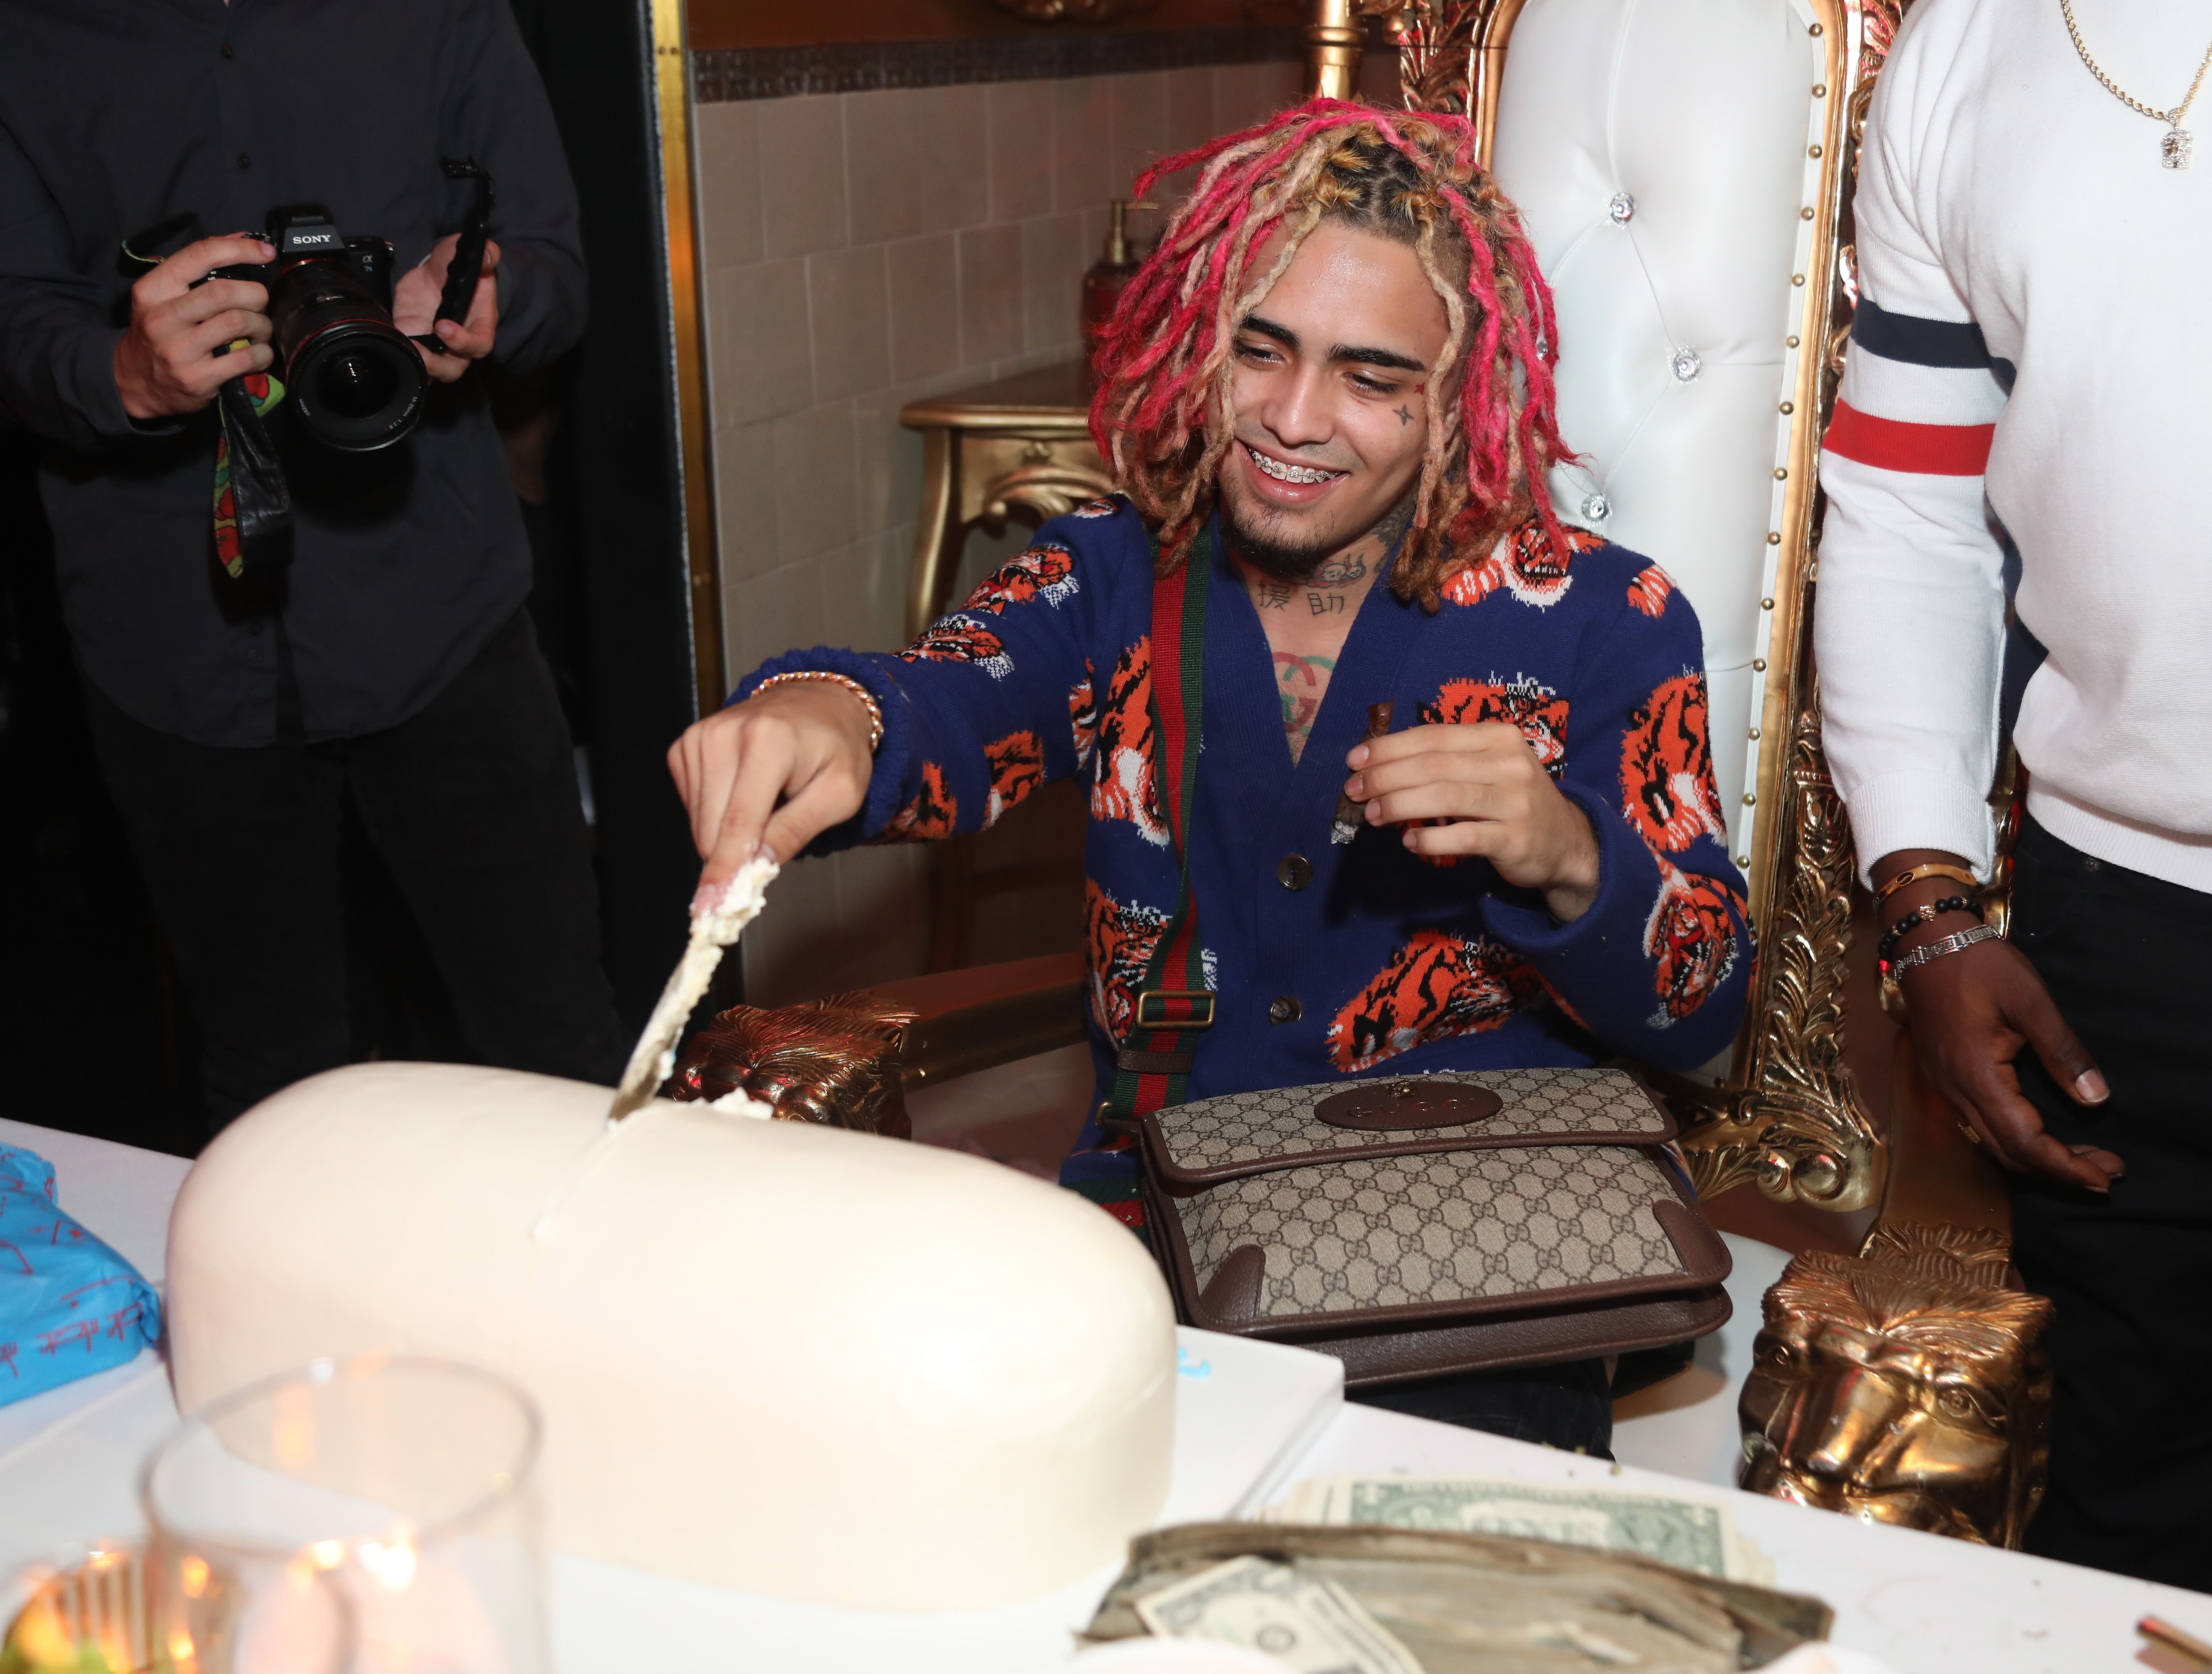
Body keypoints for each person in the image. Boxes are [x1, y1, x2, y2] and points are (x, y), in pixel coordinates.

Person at [669, 103, 1752, 1451]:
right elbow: (947, 699)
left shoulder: (1606, 621)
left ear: (1458, 395)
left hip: (1478, 1258)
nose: (1292, 420)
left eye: (1369, 378)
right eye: (1261, 348)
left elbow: (1706, 1004)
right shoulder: (1109, 576)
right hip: (1160, 1225)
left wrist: (1570, 856)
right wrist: (826, 709)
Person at [0, 0, 627, 1129]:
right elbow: (14, 312)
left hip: (440, 607)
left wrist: (492, 297)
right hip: (171, 633)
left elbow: (553, 264)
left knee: (558, 1052)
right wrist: (120, 374)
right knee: (267, 1090)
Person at [1815, 0, 2212, 1589]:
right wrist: (1925, 900)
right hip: (2119, 940)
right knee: (2126, 1543)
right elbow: (1907, 511)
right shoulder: (1970, 43)